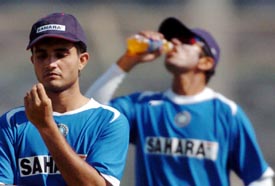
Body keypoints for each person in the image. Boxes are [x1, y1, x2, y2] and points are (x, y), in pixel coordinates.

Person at [85, 17, 274, 186]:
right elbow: (92, 113)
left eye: (187, 41)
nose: (174, 42)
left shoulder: (226, 113)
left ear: (206, 62)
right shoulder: (145, 107)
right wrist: (128, 60)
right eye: (173, 38)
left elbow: (259, 177)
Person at [0, 12, 129, 186]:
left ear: (82, 60)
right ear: (33, 61)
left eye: (61, 54)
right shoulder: (11, 123)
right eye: (42, 55)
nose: (51, 63)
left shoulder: (109, 121)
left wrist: (47, 127)